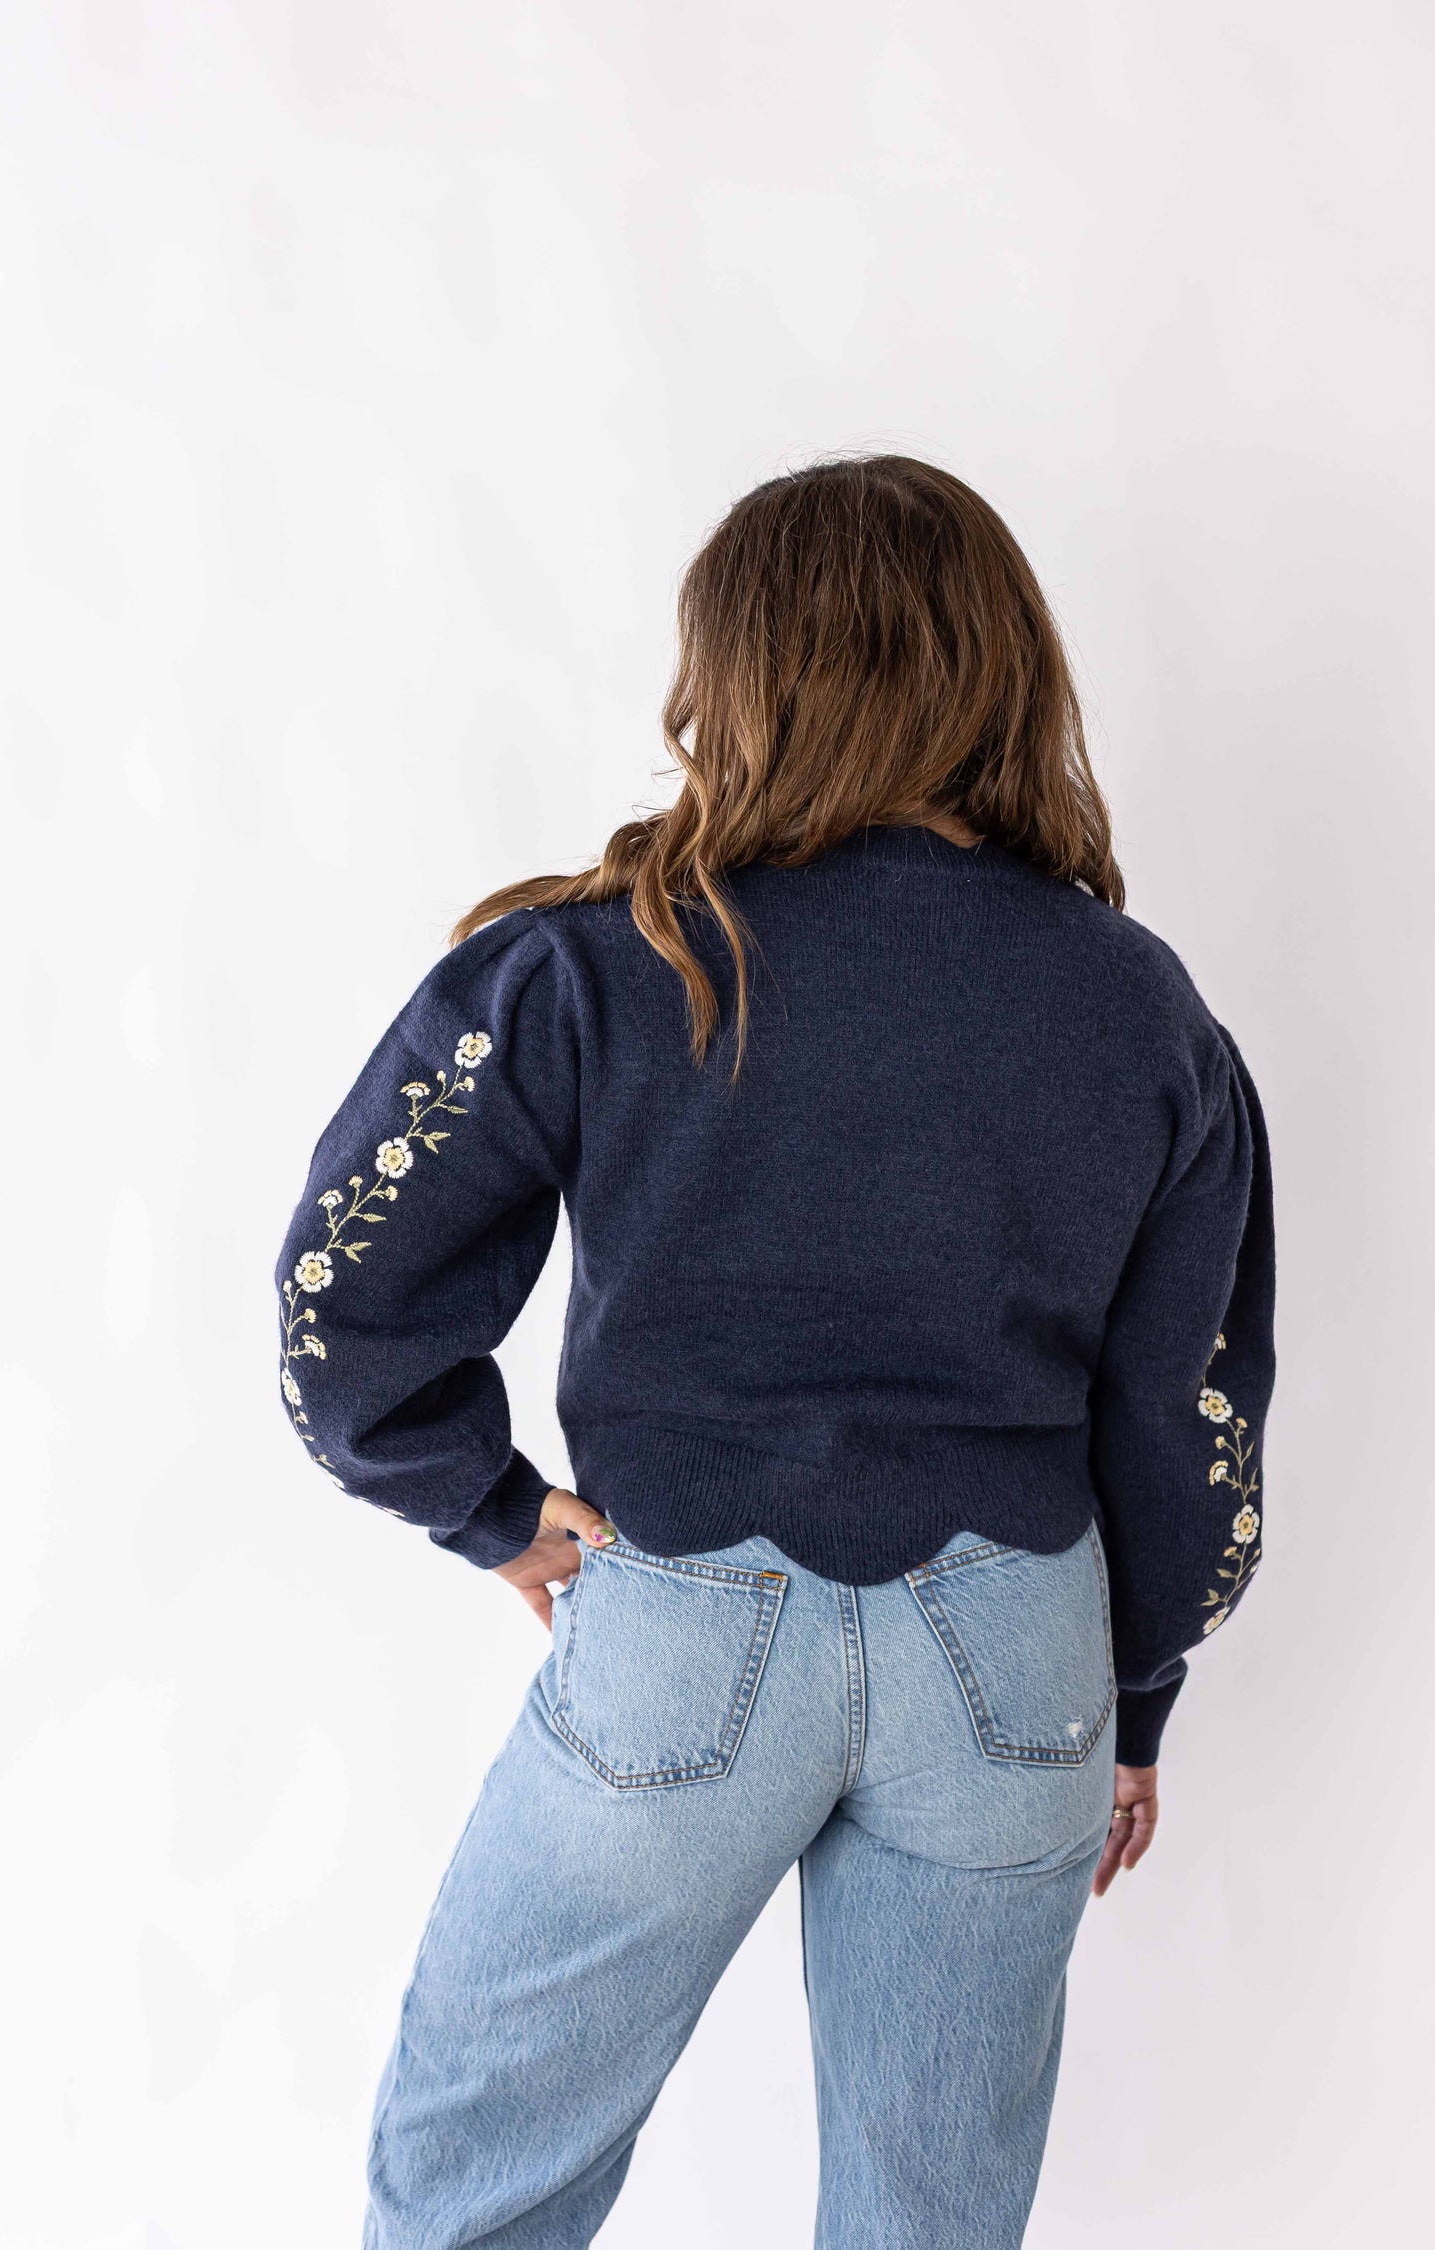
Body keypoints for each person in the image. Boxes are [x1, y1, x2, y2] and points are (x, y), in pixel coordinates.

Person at [273, 454, 1274, 2249]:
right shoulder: (1137, 1005)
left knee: (477, 2177)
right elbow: (1190, 1410)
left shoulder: (603, 960)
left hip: (682, 1635)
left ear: (729, 676)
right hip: (1015, 1666)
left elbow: (341, 1307)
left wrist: (492, 1508)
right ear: (1006, 673)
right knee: (931, 2221)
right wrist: (1133, 1698)